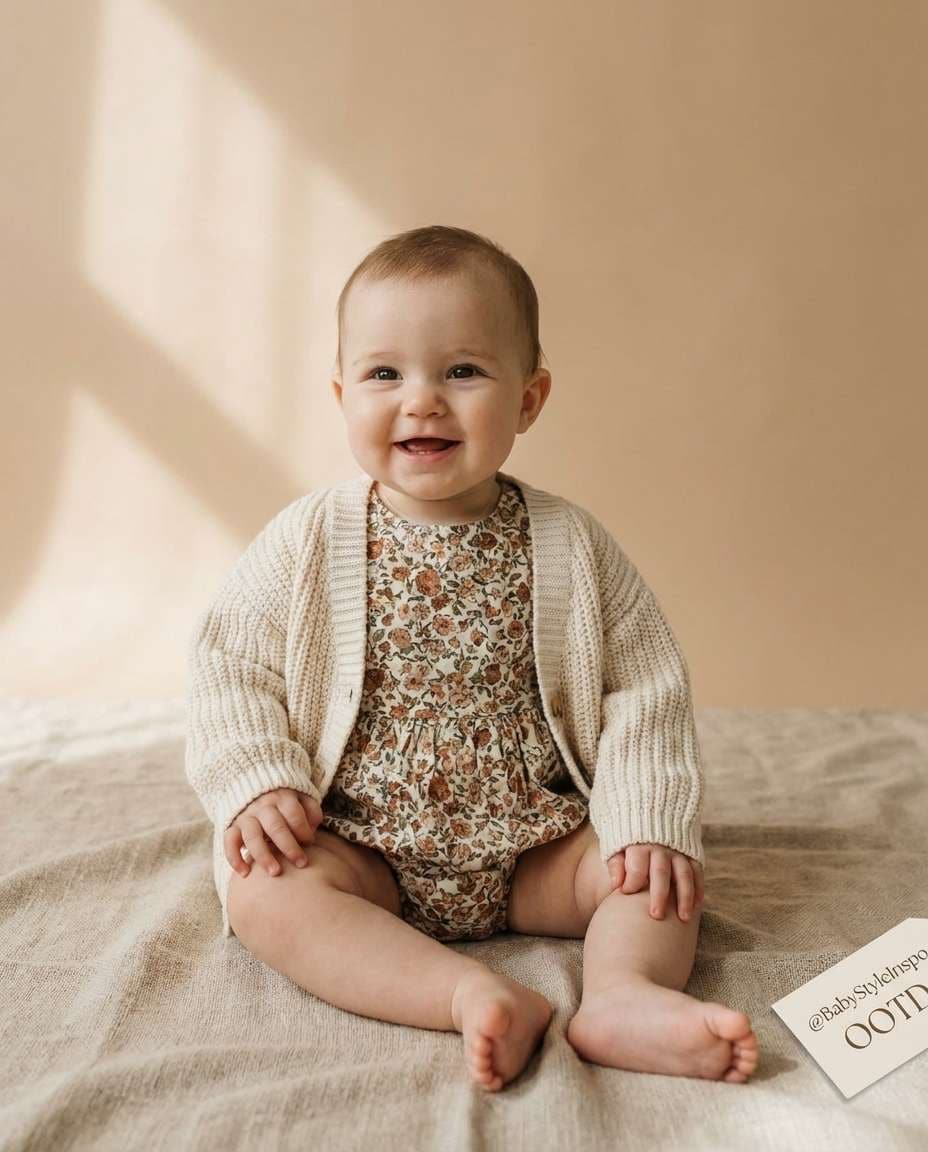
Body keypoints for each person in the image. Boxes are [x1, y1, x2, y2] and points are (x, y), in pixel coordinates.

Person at [184, 224, 758, 1093]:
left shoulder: (571, 545)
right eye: (385, 374)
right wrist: (258, 777)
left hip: (535, 848)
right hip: (360, 844)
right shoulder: (306, 541)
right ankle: (464, 995)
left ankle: (621, 996)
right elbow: (230, 666)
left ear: (529, 400)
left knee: (656, 876)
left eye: (462, 371)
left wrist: (643, 816)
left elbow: (643, 686)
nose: (422, 401)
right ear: (342, 395)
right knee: (263, 890)